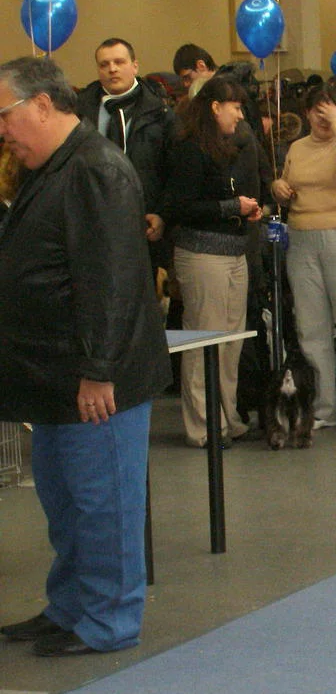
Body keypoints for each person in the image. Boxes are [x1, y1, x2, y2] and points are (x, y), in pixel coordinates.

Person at [0, 56, 171, 656]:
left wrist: (98, 371)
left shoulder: (97, 170)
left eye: (5, 115)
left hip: (98, 380)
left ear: (42, 104)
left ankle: (109, 619)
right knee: (66, 501)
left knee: (105, 504)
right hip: (53, 376)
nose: (2, 130)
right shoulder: (50, 168)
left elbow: (112, 280)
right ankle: (71, 605)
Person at [163, 76, 263, 447]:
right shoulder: (189, 148)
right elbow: (180, 206)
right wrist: (231, 207)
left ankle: (228, 417)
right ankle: (203, 425)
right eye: (235, 107)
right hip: (202, 255)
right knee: (204, 341)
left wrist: (243, 211)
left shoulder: (225, 145)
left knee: (231, 343)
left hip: (234, 252)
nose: (240, 115)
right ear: (215, 107)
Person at [271, 83, 336, 433]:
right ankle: (322, 407)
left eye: (331, 108)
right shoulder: (297, 148)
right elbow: (288, 186)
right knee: (311, 328)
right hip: (302, 239)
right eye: (318, 109)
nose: (324, 115)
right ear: (307, 113)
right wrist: (279, 189)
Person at [76, 37, 174, 270]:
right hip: (92, 221)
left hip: (144, 221)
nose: (112, 69)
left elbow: (174, 171)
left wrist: (162, 214)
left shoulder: (160, 112)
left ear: (135, 66)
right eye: (104, 64)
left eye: (119, 62)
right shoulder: (79, 110)